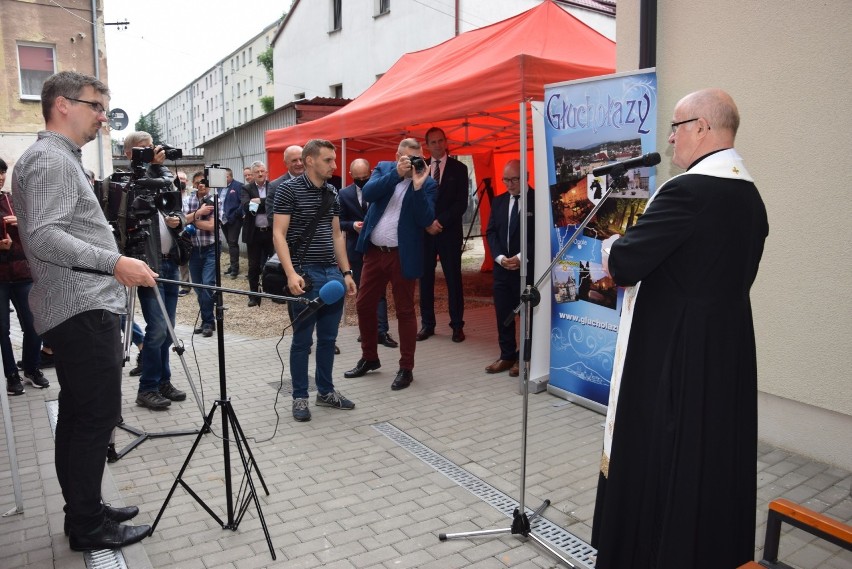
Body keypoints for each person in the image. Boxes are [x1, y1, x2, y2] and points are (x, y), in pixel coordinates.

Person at [590, 88, 768, 569]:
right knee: (710, 453)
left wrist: (610, 245)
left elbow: (628, 260)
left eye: (676, 127)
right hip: (725, 348)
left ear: (703, 129)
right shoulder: (750, 195)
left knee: (666, 455)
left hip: (675, 350)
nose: (670, 139)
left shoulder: (689, 191)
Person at [12, 70, 151, 551]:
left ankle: (84, 512)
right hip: (80, 307)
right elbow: (46, 236)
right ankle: (89, 529)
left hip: (76, 307)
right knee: (93, 419)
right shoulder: (50, 160)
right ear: (62, 105)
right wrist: (115, 262)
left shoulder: (55, 159)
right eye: (95, 105)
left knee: (77, 419)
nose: (102, 117)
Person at [272, 139, 357, 422]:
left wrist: (346, 272)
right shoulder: (287, 190)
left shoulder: (332, 191)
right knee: (302, 340)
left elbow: (336, 236)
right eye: (328, 160)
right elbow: (279, 235)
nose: (335, 165)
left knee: (329, 338)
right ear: (310, 161)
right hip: (305, 274)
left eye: (334, 160)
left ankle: (326, 391)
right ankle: (299, 397)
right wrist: (291, 273)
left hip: (331, 274)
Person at [344, 138, 436, 390]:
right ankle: (370, 358)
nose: (411, 163)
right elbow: (370, 194)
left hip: (402, 255)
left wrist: (417, 186)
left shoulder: (427, 182)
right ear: (397, 156)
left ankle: (406, 367)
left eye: (416, 158)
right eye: (406, 158)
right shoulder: (385, 169)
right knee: (364, 305)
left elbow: (426, 219)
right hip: (374, 252)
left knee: (405, 310)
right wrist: (396, 174)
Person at [119, 131, 187, 410]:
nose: (151, 152)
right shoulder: (127, 182)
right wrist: (151, 167)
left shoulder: (164, 178)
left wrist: (177, 222)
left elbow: (179, 211)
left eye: (152, 148)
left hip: (170, 261)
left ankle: (162, 382)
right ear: (128, 154)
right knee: (157, 328)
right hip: (149, 264)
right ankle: (147, 387)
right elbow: (129, 213)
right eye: (143, 149)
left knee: (167, 328)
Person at [417, 127, 469, 343]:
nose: (437, 145)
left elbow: (461, 204)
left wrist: (440, 221)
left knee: (453, 280)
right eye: (433, 142)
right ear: (426, 145)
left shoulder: (460, 168)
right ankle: (427, 325)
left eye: (440, 141)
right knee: (425, 280)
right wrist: (427, 222)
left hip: (449, 233)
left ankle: (457, 325)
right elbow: (415, 201)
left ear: (446, 142)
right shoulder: (419, 169)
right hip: (426, 234)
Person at [339, 158, 397, 349]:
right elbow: (339, 221)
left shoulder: (380, 188)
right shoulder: (344, 194)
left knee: (380, 292)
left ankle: (381, 331)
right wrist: (352, 225)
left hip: (377, 247)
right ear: (351, 176)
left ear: (371, 173)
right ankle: (366, 331)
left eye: (365, 178)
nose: (362, 182)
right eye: (358, 179)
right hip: (356, 248)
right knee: (363, 292)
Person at [0, 158, 48, 395]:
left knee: (33, 324)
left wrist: (22, 224)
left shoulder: (13, 200)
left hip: (22, 274)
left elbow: (36, 231)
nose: (1, 176)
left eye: (3, 172)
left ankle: (31, 367)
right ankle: (10, 375)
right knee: (2, 330)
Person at [484, 160, 534, 378]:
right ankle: (506, 355)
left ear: (527, 176)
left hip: (527, 269)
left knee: (527, 315)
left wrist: (522, 257)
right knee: (503, 312)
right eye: (506, 180)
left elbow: (542, 234)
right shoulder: (498, 201)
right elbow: (491, 232)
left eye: (515, 179)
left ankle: (524, 357)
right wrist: (499, 257)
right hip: (502, 269)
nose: (510, 184)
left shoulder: (538, 201)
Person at [184, 171, 217, 336]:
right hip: (193, 250)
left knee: (207, 285)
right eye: (198, 182)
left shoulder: (216, 199)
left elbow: (212, 226)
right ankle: (207, 319)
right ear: (194, 184)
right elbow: (180, 221)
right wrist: (199, 214)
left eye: (204, 181)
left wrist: (192, 219)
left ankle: (208, 322)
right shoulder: (187, 200)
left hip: (210, 248)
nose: (201, 185)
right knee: (198, 287)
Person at [241, 161, 274, 307]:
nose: (260, 174)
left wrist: (258, 201)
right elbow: (247, 208)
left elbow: (274, 205)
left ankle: (275, 292)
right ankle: (254, 295)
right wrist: (264, 204)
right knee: (253, 266)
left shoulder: (272, 186)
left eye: (262, 171)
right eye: (257, 172)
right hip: (254, 234)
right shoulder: (246, 188)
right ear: (253, 175)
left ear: (266, 172)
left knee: (274, 264)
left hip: (271, 232)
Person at [267, 145, 304, 229]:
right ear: (286, 163)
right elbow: (272, 218)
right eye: (294, 160)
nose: (299, 163)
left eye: (301, 159)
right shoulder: (275, 186)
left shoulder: (316, 182)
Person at [217, 167, 244, 279]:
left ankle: (235, 269)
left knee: (232, 243)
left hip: (234, 220)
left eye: (224, 176)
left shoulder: (238, 186)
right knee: (229, 243)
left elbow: (242, 202)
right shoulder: (219, 187)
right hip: (223, 220)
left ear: (229, 176)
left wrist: (236, 214)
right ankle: (232, 265)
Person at [176, 170, 193, 296]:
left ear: (186, 182)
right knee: (182, 259)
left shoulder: (191, 197)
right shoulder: (171, 196)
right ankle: (185, 285)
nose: (181, 181)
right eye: (179, 179)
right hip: (177, 231)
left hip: (191, 229)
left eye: (183, 179)